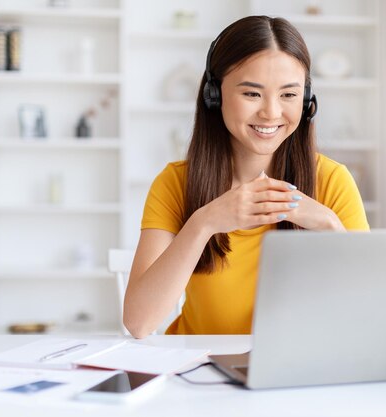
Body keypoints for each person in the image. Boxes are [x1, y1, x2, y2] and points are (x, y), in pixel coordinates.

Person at [124, 15, 369, 338]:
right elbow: (140, 323)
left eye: (289, 95)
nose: (271, 112)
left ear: (307, 101)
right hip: (197, 370)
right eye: (252, 94)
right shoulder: (175, 183)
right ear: (215, 95)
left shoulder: (332, 180)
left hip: (295, 371)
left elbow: (368, 316)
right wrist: (204, 223)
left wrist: (330, 226)